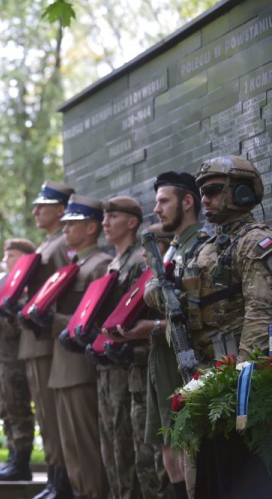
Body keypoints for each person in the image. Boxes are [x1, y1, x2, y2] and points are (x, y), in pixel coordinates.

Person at [183, 156, 272, 498]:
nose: (204, 198)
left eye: (214, 190)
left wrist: (242, 381)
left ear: (244, 193)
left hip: (238, 380)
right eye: (202, 191)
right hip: (204, 378)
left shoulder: (254, 242)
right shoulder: (205, 248)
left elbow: (261, 311)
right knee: (202, 480)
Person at [98, 197, 170, 499]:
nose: (105, 223)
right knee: (116, 449)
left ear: (130, 222)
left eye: (112, 217)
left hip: (139, 368)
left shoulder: (143, 266)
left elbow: (150, 321)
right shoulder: (114, 264)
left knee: (146, 459)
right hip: (117, 366)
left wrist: (131, 350)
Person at [143, 171, 206, 499]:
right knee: (168, 446)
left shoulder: (203, 247)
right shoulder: (172, 250)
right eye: (156, 202)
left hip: (190, 357)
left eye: (164, 200)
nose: (157, 208)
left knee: (186, 449)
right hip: (165, 357)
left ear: (187, 202)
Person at [51, 194, 112, 499]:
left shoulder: (99, 265)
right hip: (63, 366)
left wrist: (53, 319)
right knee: (71, 446)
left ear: (91, 227)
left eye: (72, 225)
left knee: (86, 447)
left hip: (80, 367)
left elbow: (94, 321)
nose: (64, 230)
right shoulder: (76, 264)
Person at [21, 180, 75, 499]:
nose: (35, 211)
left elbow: (64, 295)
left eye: (43, 205)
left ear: (61, 210)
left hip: (48, 340)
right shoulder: (47, 244)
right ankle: (54, 479)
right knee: (45, 414)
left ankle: (61, 482)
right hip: (36, 338)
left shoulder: (58, 247)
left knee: (54, 418)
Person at [0, 238, 36, 482]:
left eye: (11, 256)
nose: (5, 261)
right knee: (6, 410)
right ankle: (12, 456)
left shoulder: (27, 287)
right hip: (0, 356)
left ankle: (21, 461)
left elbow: (16, 327)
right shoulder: (5, 285)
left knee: (18, 409)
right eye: (5, 256)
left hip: (15, 358)